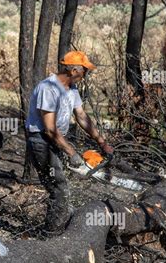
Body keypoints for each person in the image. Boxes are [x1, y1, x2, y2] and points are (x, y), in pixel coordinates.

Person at [25, 51, 114, 236]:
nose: (85, 75)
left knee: (61, 186)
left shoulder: (72, 89)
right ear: (74, 70)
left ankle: (60, 224)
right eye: (84, 71)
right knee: (59, 189)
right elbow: (49, 129)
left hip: (56, 140)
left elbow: (81, 116)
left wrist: (101, 142)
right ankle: (50, 235)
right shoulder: (48, 88)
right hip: (41, 140)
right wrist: (72, 153)